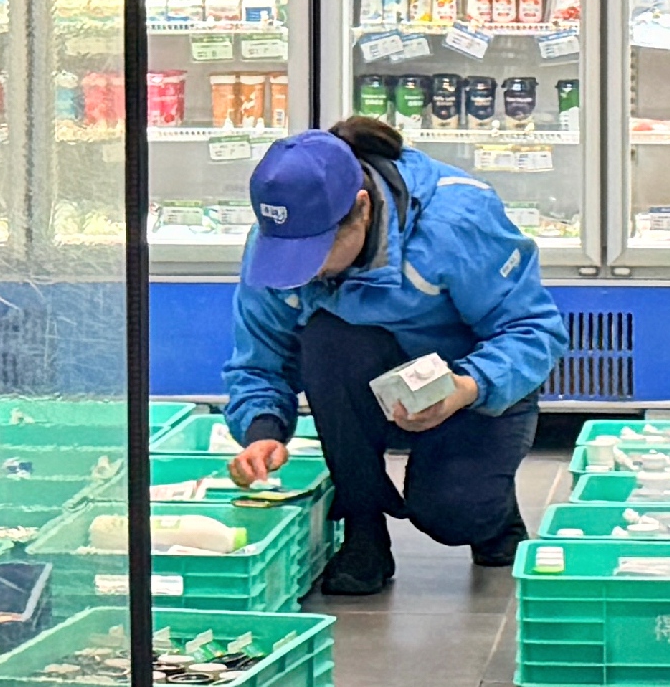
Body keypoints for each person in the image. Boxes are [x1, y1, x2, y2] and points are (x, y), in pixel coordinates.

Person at [220, 115, 568, 595]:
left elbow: (533, 330)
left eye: (318, 250)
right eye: (291, 254)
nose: (306, 269)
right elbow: (259, 361)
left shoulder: (455, 221)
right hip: (365, 386)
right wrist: (263, 432)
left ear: (363, 209)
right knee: (327, 339)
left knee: (452, 514)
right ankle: (363, 529)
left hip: (470, 386)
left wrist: (468, 387)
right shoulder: (276, 247)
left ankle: (494, 512)